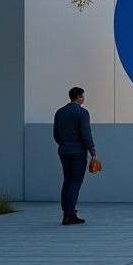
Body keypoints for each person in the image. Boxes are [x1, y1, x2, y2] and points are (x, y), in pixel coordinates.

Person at [53, 87, 95, 226]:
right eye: (83, 96)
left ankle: (66, 211)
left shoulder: (60, 112)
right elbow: (86, 133)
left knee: (67, 180)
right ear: (79, 97)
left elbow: (56, 134)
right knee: (76, 181)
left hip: (64, 150)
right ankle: (70, 213)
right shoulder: (82, 112)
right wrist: (92, 150)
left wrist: (63, 144)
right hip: (78, 151)